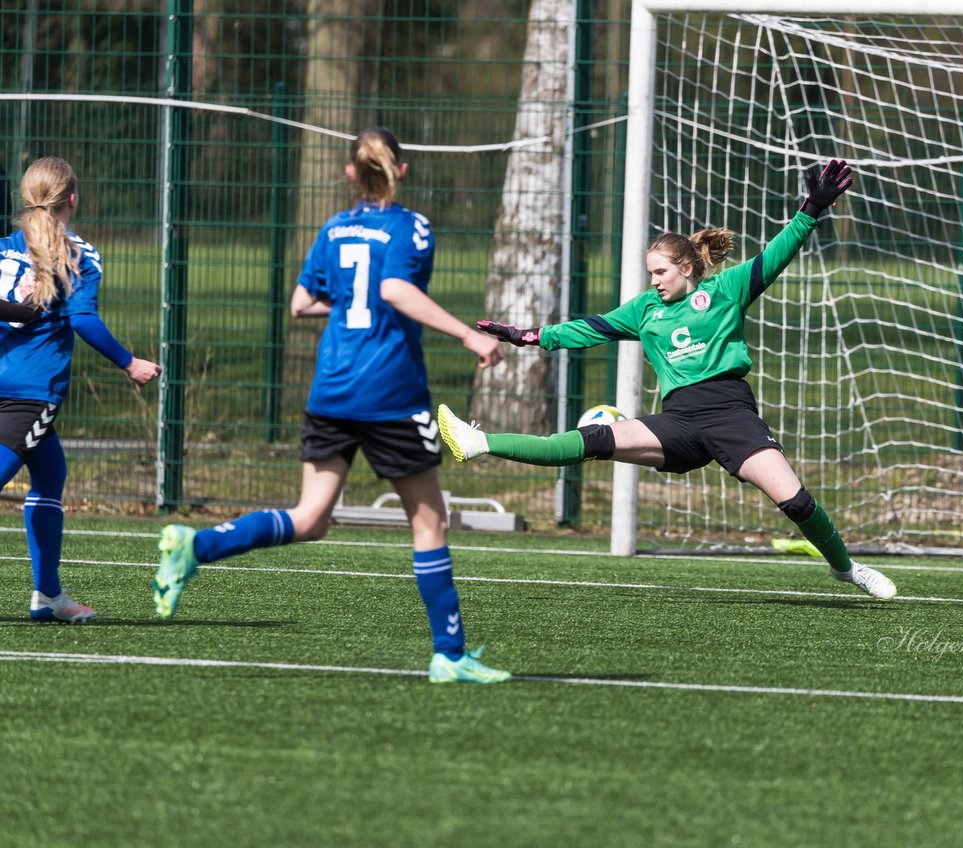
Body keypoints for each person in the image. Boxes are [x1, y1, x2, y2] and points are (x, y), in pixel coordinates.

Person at [439, 158, 896, 599]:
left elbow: (777, 253)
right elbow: (589, 328)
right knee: (592, 439)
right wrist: (529, 336)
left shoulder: (727, 289)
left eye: (661, 272)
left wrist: (812, 209)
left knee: (795, 502)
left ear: (688, 268)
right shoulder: (644, 309)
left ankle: (847, 568)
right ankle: (480, 442)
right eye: (650, 273)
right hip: (678, 420)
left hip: (731, 414)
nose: (655, 281)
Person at [151, 127, 512, 683]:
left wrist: (349, 300)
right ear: (403, 170)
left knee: (311, 517)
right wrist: (469, 336)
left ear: (351, 173)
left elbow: (300, 303)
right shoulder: (410, 225)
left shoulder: (334, 226)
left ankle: (195, 546)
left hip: (332, 387)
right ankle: (451, 655)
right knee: (430, 522)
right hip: (389, 391)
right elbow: (393, 289)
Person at [0, 156, 163, 622]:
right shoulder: (79, 254)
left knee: (50, 474)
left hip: (11, 387)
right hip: (28, 395)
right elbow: (83, 319)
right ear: (73, 198)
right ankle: (48, 595)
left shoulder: (2, 247)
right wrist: (129, 362)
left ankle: (49, 595)